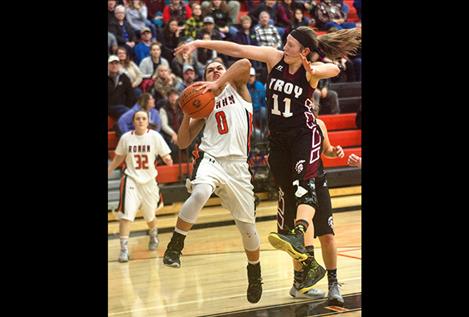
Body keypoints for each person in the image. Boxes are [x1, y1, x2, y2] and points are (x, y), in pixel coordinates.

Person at [174, 27, 360, 304]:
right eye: (286, 41)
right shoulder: (274, 58)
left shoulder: (309, 70)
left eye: (291, 44)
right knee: (290, 199)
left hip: (302, 135)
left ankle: (308, 246)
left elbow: (332, 69)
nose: (285, 46)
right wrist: (198, 42)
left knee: (305, 192)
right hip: (279, 143)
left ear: (304, 51)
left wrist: (318, 71)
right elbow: (236, 50)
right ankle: (301, 269)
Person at [162, 58, 263, 304]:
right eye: (210, 69)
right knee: (200, 193)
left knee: (247, 228)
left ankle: (254, 272)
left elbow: (244, 63)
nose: (216, 70)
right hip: (212, 159)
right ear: (204, 76)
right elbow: (184, 143)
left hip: (238, 167)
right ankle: (175, 245)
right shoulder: (204, 103)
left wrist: (219, 80)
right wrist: (187, 113)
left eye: (219, 67)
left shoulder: (237, 88)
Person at [108, 110, 173, 263]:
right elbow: (119, 157)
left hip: (150, 182)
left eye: (143, 118)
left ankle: (153, 233)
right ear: (133, 121)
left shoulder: (155, 137)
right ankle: (123, 250)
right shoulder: (126, 138)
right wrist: (111, 168)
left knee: (150, 216)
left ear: (147, 121)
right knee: (126, 216)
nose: (141, 121)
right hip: (131, 180)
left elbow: (165, 155)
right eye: (138, 118)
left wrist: (168, 158)